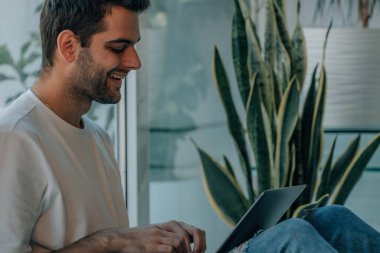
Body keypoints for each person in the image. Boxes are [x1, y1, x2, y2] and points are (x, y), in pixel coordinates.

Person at [0, 0, 379, 253]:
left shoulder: (97, 138)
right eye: (118, 47)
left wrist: (157, 238)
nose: (135, 62)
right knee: (293, 236)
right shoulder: (15, 139)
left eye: (134, 45)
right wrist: (113, 239)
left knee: (332, 218)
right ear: (68, 46)